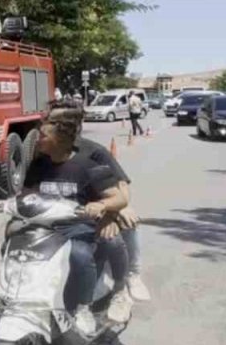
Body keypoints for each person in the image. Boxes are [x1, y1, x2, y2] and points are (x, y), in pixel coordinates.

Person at [23, 103, 131, 335]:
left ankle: (84, 307)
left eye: (42, 135)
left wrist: (101, 206)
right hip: (45, 228)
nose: (37, 139)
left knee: (79, 254)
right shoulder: (39, 165)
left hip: (77, 229)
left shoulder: (89, 164)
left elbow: (119, 197)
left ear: (59, 138)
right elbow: (26, 195)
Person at [47, 98, 152, 303]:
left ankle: (131, 275)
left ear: (77, 124)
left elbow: (122, 188)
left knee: (125, 221)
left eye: (62, 121)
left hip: (93, 213)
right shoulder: (42, 151)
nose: (54, 126)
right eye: (51, 120)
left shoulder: (94, 152)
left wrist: (113, 210)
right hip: (54, 217)